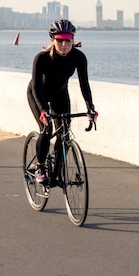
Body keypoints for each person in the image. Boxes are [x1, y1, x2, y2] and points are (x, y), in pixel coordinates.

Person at [27, 19, 96, 183]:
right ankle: (41, 166)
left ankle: (57, 168)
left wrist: (90, 108)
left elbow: (84, 84)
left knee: (64, 132)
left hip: (60, 94)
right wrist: (44, 110)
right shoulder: (42, 58)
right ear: (52, 40)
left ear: (72, 40)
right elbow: (36, 87)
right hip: (39, 94)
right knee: (46, 129)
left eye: (67, 40)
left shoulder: (79, 57)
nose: (64, 44)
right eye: (59, 40)